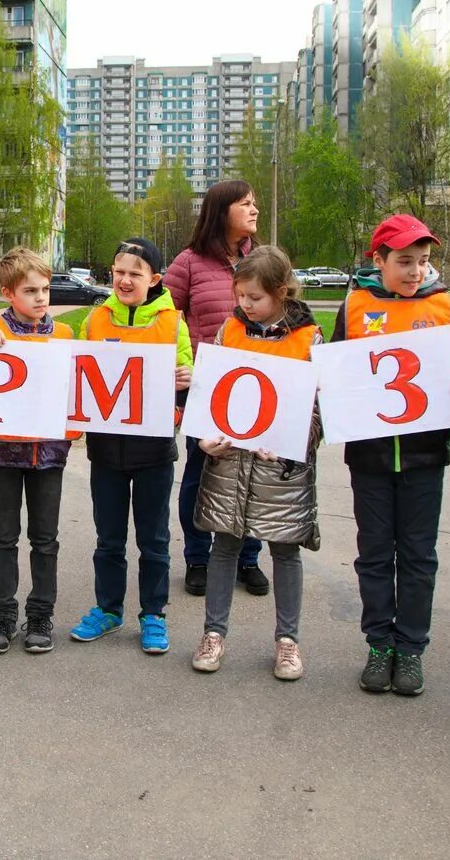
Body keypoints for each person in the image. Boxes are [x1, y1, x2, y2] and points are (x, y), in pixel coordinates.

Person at [332, 214, 450, 697]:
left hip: (425, 457)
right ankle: (379, 643)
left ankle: (410, 648)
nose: (415, 271)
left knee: (417, 557)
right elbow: (338, 370)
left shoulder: (444, 305)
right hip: (368, 458)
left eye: (424, 262)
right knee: (373, 555)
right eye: (405, 261)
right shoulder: (353, 306)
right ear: (380, 260)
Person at [189, 246, 323, 680]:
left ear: (281, 292)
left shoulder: (310, 338)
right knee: (224, 546)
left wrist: (294, 442)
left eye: (254, 298)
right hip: (230, 463)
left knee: (286, 552)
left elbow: (321, 409)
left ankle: (288, 642)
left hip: (281, 469)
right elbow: (211, 394)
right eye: (240, 296)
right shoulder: (230, 330)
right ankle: (213, 633)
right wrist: (205, 439)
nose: (244, 305)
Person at [69, 238, 193, 654]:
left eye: (134, 274)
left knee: (154, 539)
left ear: (154, 279)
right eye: (119, 271)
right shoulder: (95, 319)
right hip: (105, 451)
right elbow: (77, 377)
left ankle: (153, 614)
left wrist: (185, 380)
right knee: (108, 538)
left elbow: (188, 375)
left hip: (154, 451)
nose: (124, 280)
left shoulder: (174, 323)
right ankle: (108, 609)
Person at [163, 180, 267, 598]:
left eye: (255, 201)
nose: (254, 209)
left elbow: (288, 310)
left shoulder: (261, 259)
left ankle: (248, 557)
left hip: (259, 386)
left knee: (254, 474)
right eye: (246, 203)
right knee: (200, 473)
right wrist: (180, 367)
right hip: (203, 387)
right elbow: (162, 317)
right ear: (222, 210)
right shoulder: (189, 262)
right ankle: (198, 557)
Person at [0, 247, 77, 655]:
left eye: (45, 289)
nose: (40, 297)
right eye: (30, 290)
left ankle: (40, 613)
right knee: (3, 537)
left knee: (45, 538)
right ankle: (3, 613)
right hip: (2, 453)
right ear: (8, 293)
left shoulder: (66, 336)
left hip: (49, 454)